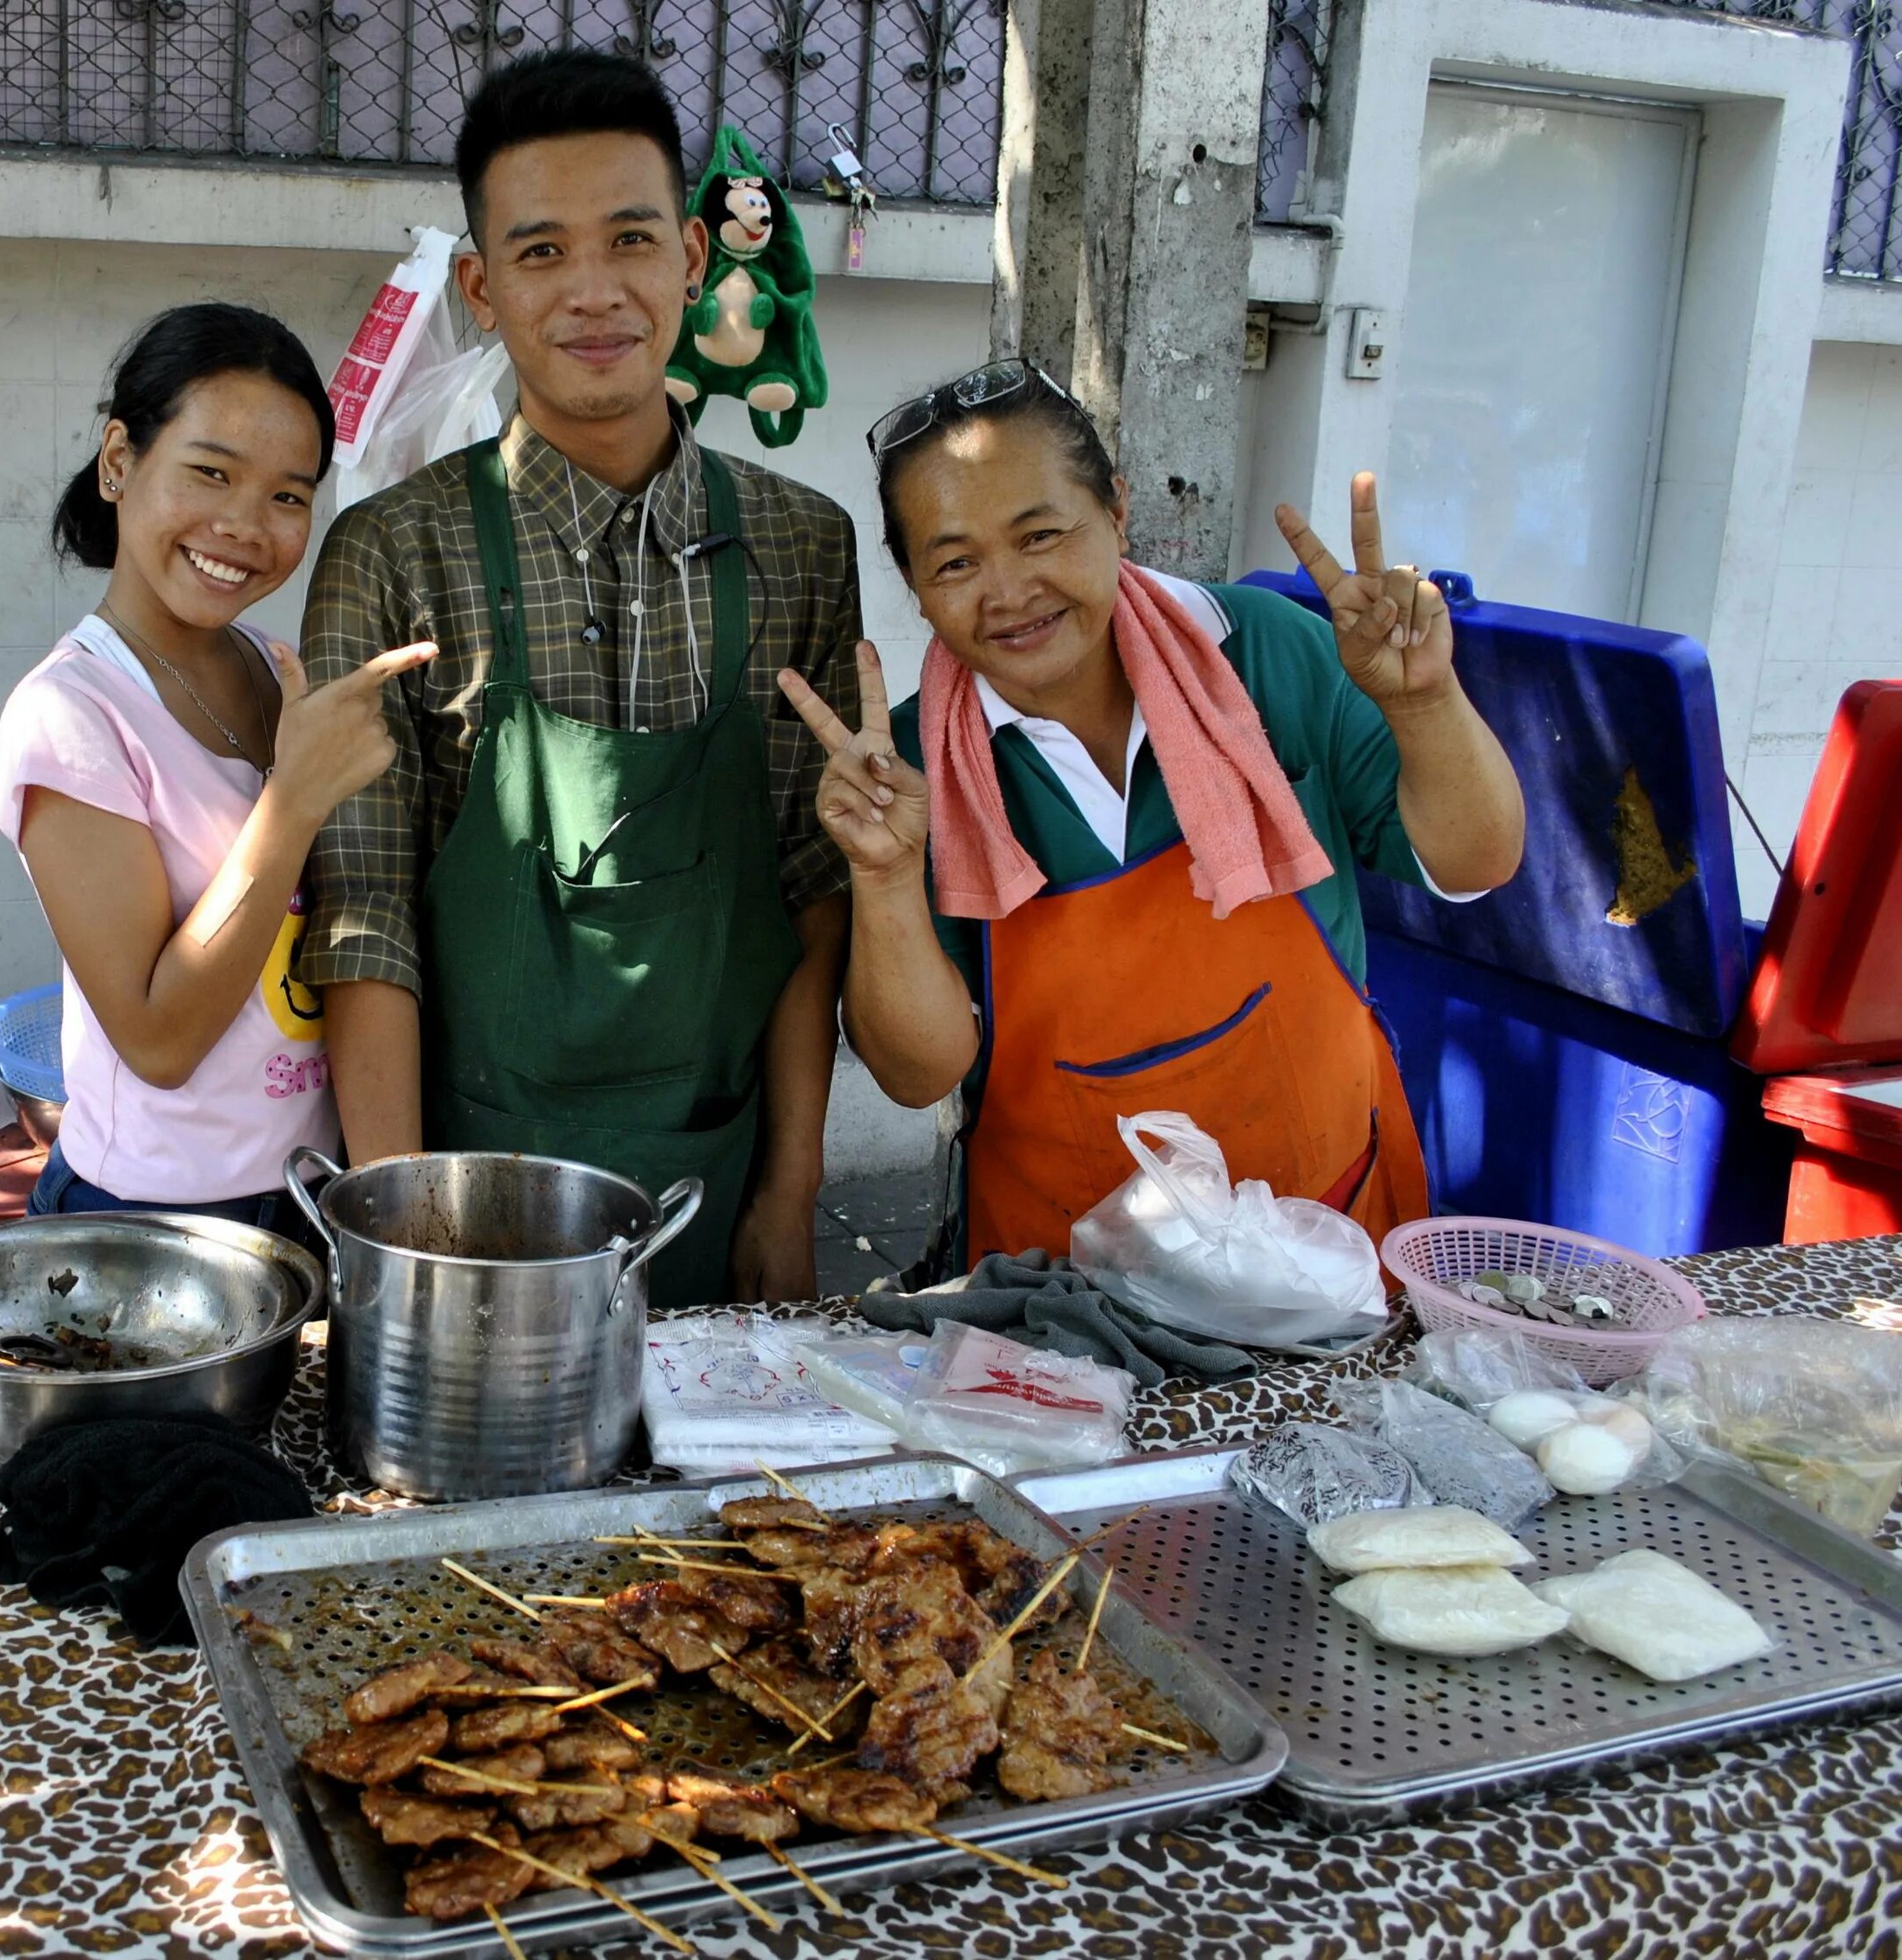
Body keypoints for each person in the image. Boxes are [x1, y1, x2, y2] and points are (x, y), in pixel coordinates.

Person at [295, 50, 864, 1307]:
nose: (593, 291)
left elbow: (813, 890)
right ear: (481, 288)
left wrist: (790, 1193)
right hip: (463, 1202)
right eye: (542, 251)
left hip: (720, 1189)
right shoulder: (392, 553)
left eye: (631, 240)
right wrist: (401, 1236)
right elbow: (364, 914)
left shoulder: (803, 547)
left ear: (694, 259)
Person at [778, 361, 1525, 1271]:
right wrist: (887, 873)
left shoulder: (1265, 653)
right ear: (914, 582)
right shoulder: (908, 772)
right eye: (957, 562)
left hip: (1325, 1246)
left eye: (1040, 535)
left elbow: (1477, 862)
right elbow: (916, 1074)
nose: (1008, 592)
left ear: (1117, 511)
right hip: (1064, 1286)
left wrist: (1423, 702)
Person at [0, 303, 434, 1230]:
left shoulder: (277, 672)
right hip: (150, 1220)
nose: (243, 525)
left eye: (288, 496)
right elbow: (159, 1041)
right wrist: (294, 800)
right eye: (211, 473)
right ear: (119, 460)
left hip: (311, 1197)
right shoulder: (71, 715)